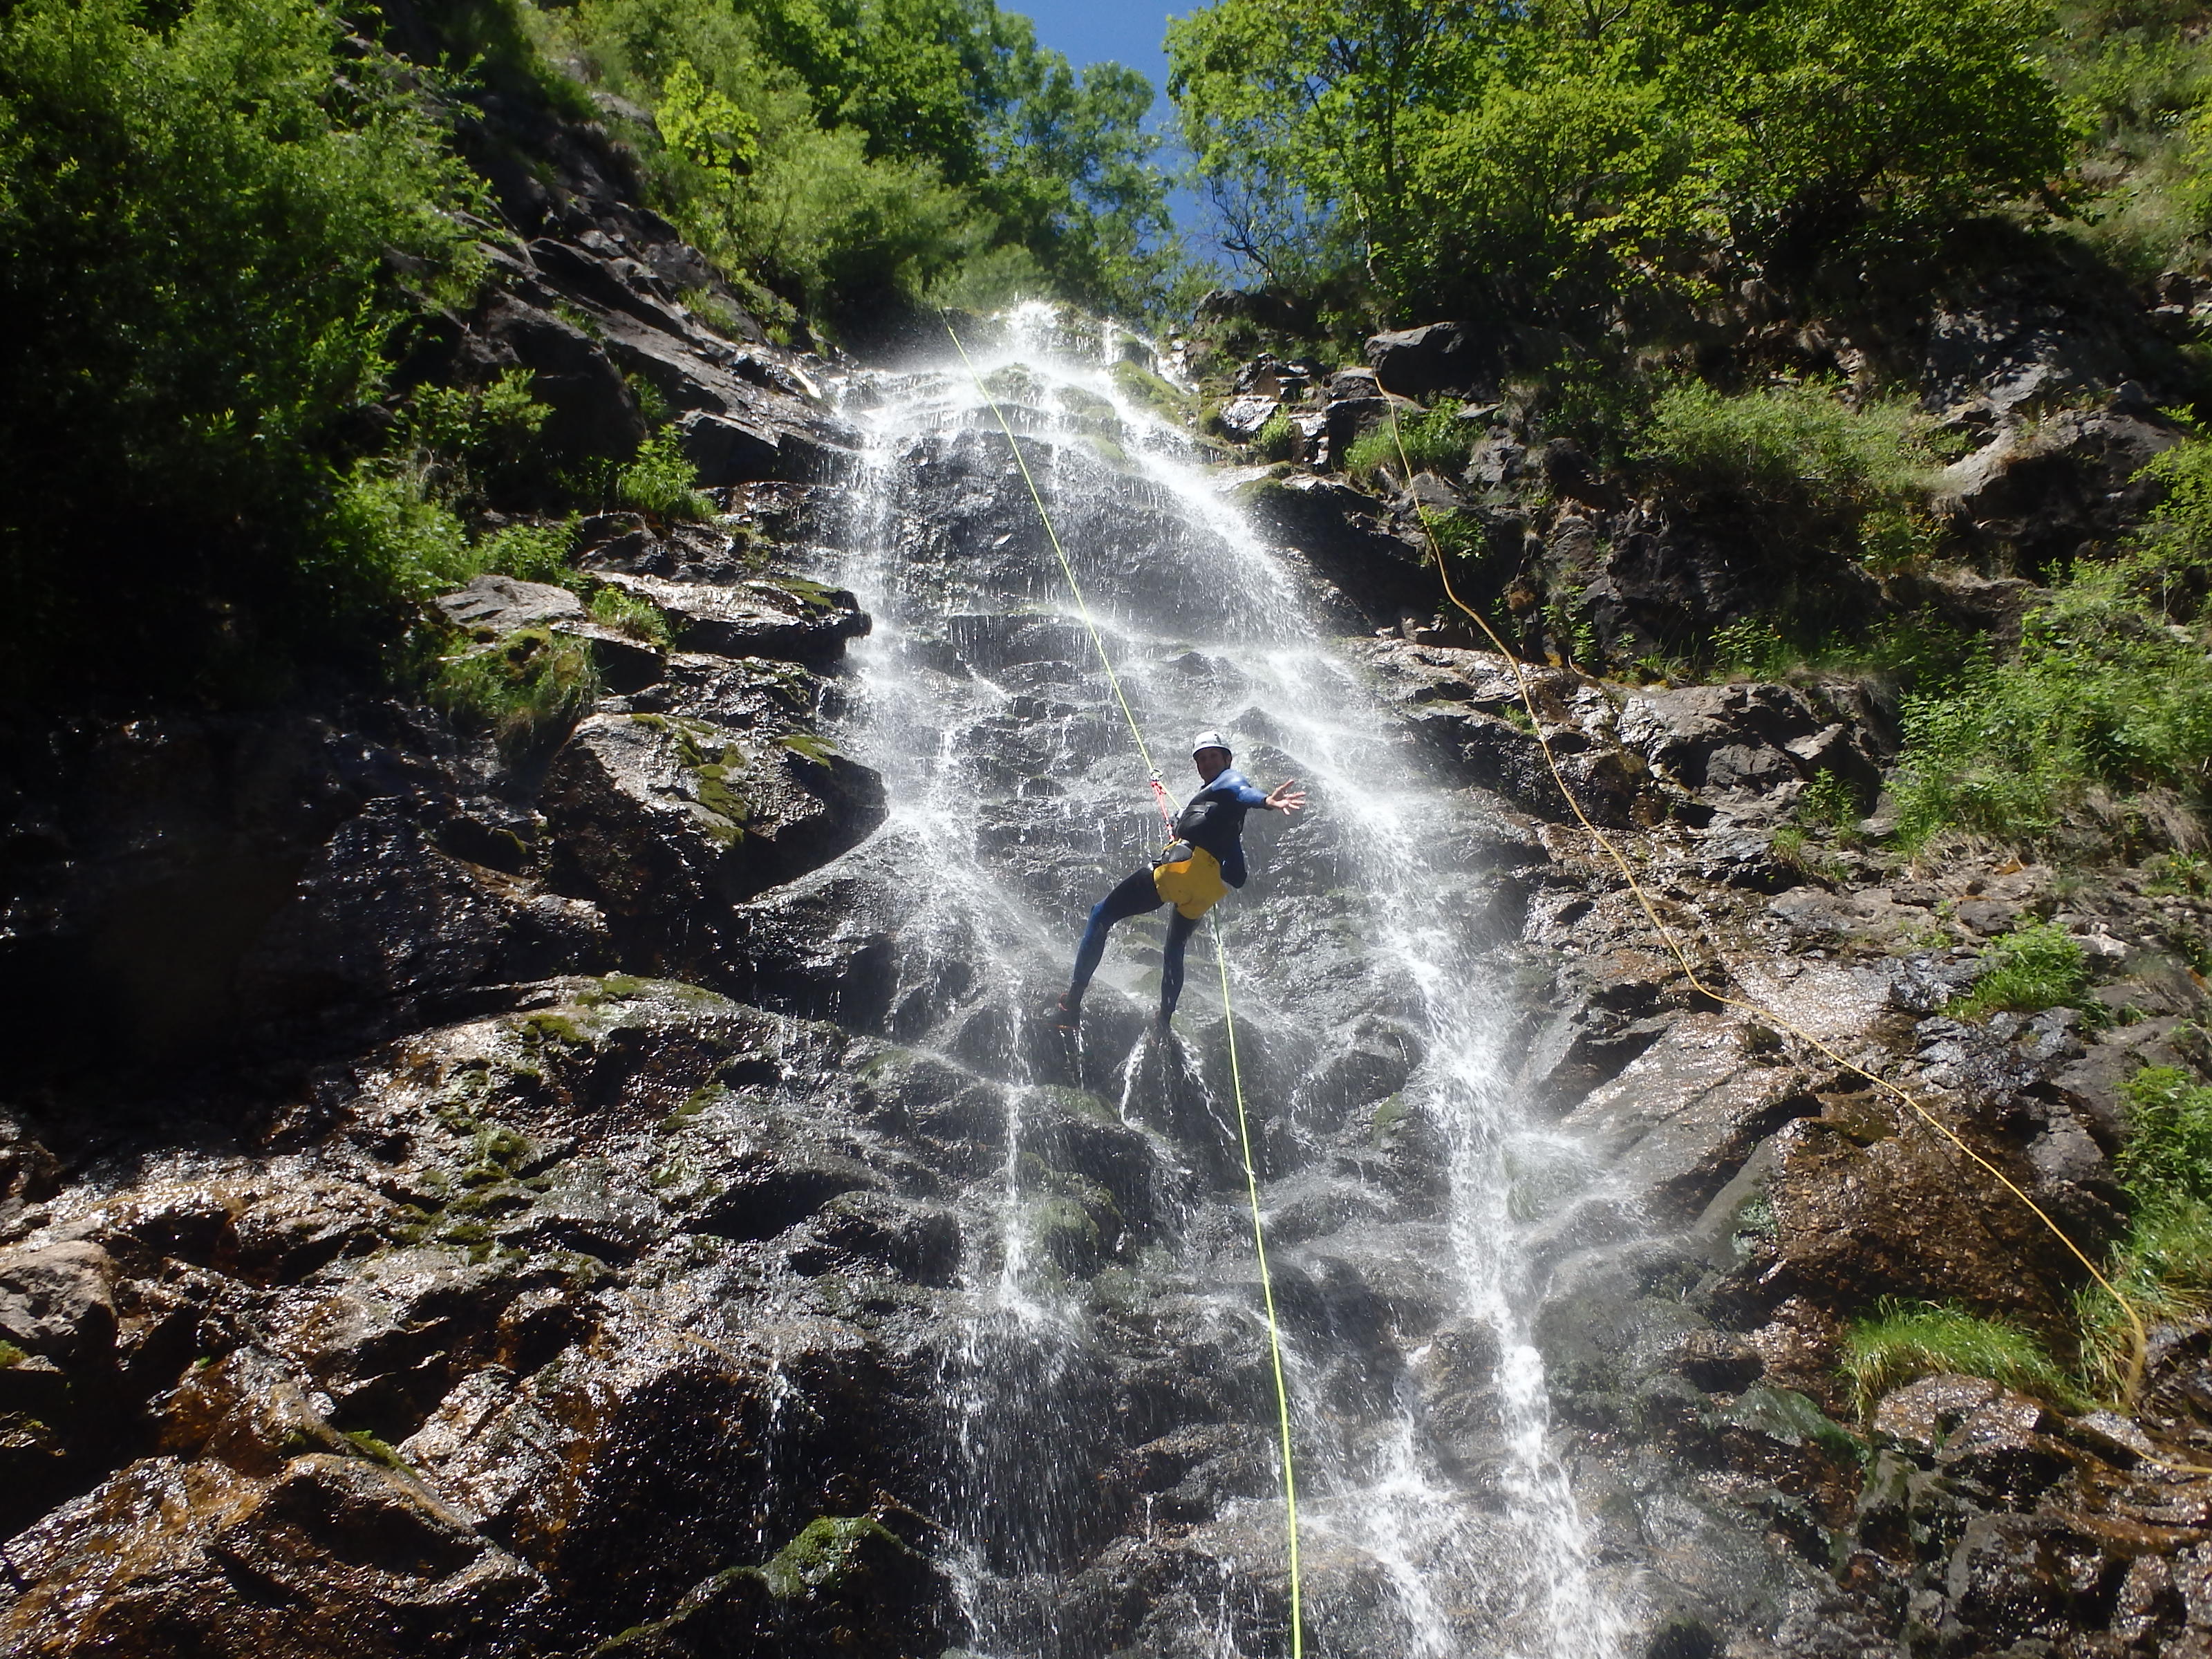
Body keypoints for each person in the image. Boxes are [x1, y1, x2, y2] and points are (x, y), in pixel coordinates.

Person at [1054, 731, 1306, 1027]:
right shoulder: (1228, 820)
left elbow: (1243, 792)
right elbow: (1237, 877)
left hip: (1179, 870)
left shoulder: (1230, 780)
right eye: (1202, 758)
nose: (1208, 762)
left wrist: (1265, 800)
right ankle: (1162, 1022)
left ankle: (1072, 1002)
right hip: (1205, 891)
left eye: (1214, 756)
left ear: (1228, 759)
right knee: (1174, 949)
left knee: (1102, 914)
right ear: (1197, 766)